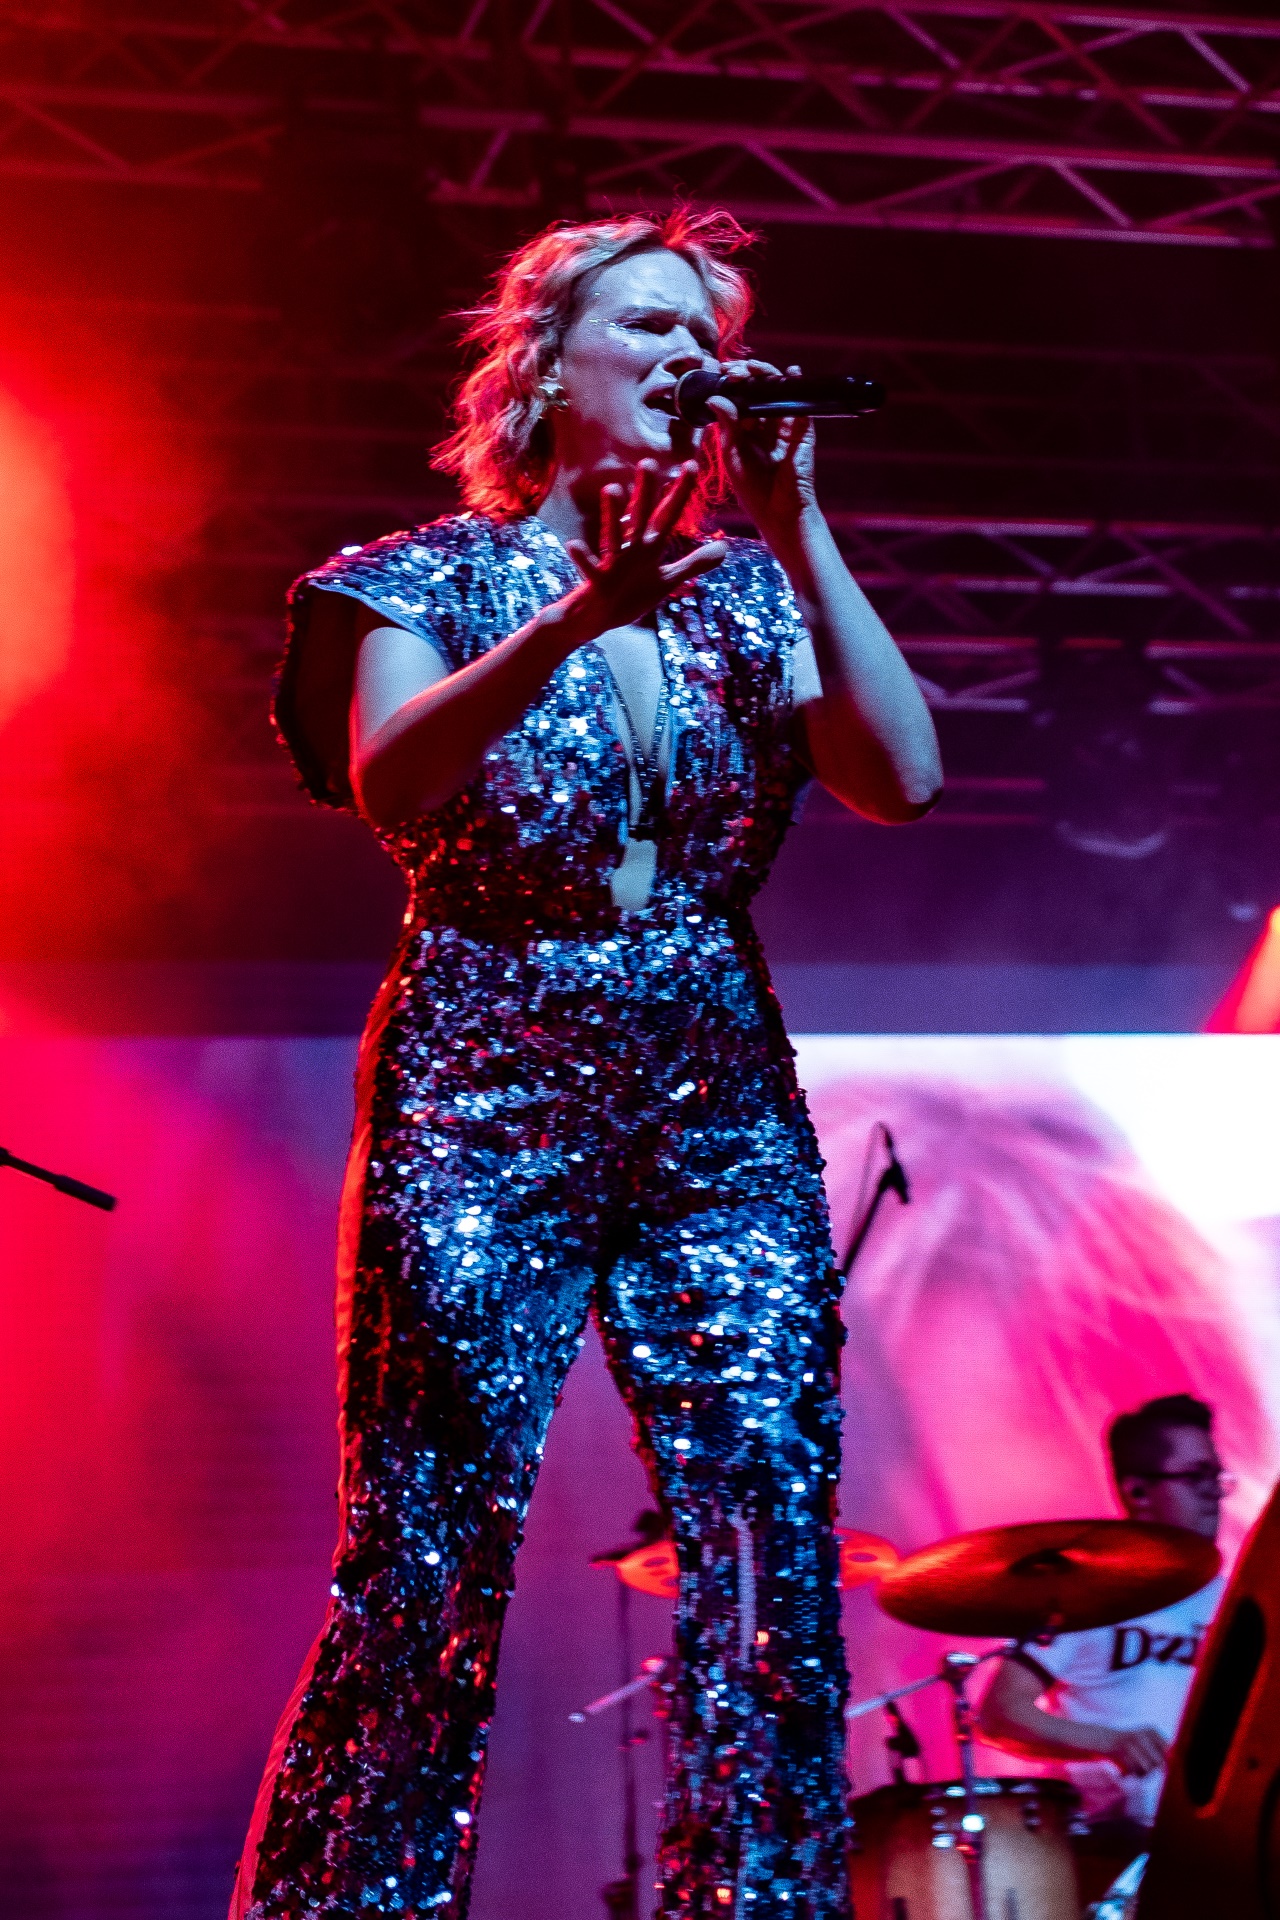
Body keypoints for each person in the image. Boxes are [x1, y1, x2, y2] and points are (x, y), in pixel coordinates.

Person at [229, 206, 941, 1920]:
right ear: (545, 369)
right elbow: (397, 783)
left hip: (711, 1085)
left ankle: (759, 1901)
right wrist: (573, 620)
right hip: (488, 1075)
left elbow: (903, 780)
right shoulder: (414, 579)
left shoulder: (748, 592)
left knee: (767, 1522)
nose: (690, 358)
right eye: (651, 326)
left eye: (708, 334)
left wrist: (799, 521)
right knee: (430, 1531)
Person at [978, 1394, 1228, 1853]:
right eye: (1196, 1476)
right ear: (1138, 1493)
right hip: (1110, 1845)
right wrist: (1110, 1743)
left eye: (1215, 1475)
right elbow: (999, 1714)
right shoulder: (1089, 1597)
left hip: (1221, 1841)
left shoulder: (1236, 1603)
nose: (1213, 1491)